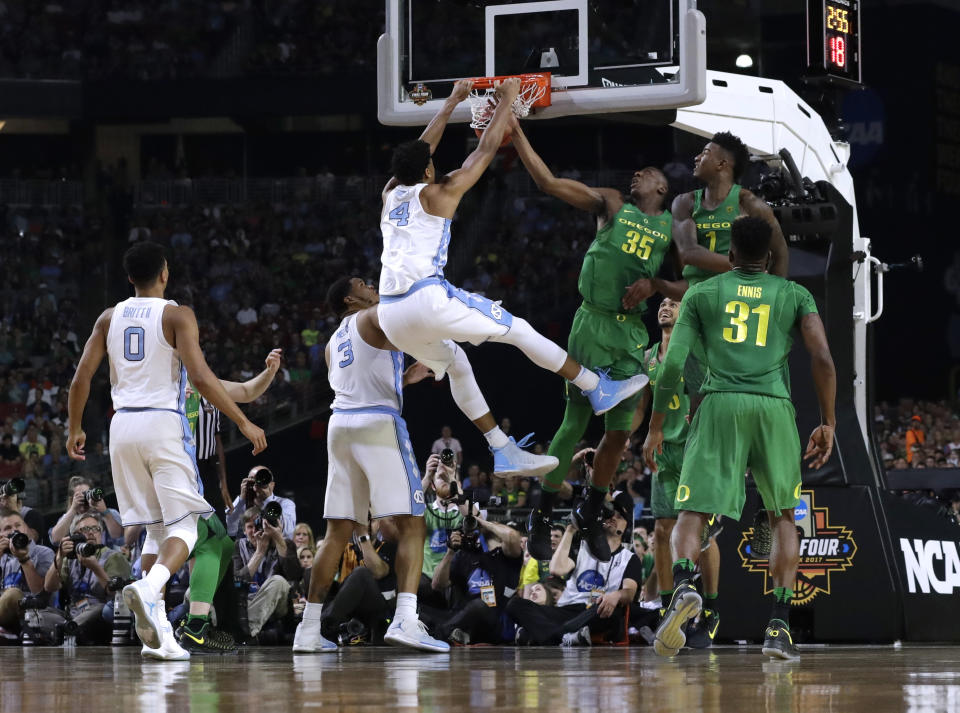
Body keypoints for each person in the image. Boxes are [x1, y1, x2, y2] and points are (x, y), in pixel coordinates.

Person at [376, 79, 648, 483]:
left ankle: (502, 449)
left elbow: (418, 153)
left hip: (390, 313)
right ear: (429, 169)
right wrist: (507, 99)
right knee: (518, 329)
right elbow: (485, 149)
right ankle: (596, 387)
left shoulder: (390, 192)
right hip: (425, 298)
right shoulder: (441, 192)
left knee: (457, 363)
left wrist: (452, 101)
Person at [642, 216, 836, 661]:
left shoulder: (702, 294)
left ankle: (685, 585)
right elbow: (822, 357)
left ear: (728, 256)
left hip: (718, 405)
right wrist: (827, 421)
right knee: (783, 515)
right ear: (768, 258)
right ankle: (779, 627)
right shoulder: (793, 294)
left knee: (691, 511)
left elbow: (671, 368)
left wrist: (655, 426)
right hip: (773, 408)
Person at [67, 240, 267, 660]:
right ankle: (150, 587)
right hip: (162, 422)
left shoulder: (108, 317)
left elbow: (81, 378)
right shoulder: (177, 314)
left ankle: (157, 629)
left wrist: (75, 428)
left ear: (128, 279)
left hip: (120, 426)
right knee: (191, 525)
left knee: (157, 528)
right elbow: (203, 378)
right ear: (164, 274)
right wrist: (244, 421)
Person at [510, 118, 681, 562]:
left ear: (662, 189)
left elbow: (690, 284)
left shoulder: (673, 229)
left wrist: (656, 285)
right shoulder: (612, 203)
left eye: (646, 172)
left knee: (619, 434)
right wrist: (516, 133)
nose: (636, 175)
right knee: (575, 422)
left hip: (630, 332)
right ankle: (542, 514)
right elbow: (547, 182)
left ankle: (589, 507)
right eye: (636, 173)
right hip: (592, 324)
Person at [293, 276, 447, 653]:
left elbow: (360, 381)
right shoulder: (375, 316)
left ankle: (309, 630)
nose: (371, 285)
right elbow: (414, 332)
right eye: (362, 283)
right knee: (413, 522)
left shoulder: (332, 344)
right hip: (378, 423)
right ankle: (407, 619)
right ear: (349, 298)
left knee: (336, 531)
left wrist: (403, 379)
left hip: (340, 427)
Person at [633, 297, 722, 647]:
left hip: (692, 448)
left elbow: (705, 393)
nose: (665, 306)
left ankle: (711, 610)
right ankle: (671, 608)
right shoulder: (647, 357)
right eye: (662, 303)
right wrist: (622, 439)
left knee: (704, 534)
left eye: (674, 303)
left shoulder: (693, 350)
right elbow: (642, 405)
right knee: (660, 529)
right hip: (662, 449)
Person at [507, 493, 642, 646]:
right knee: (515, 605)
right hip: (567, 610)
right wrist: (571, 528)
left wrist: (616, 595)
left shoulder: (629, 558)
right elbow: (556, 569)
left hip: (595, 611)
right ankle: (567, 637)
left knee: (614, 613)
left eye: (619, 516)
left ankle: (540, 635)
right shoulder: (581, 546)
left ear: (626, 527)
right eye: (610, 514)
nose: (613, 517)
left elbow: (630, 592)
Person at [43, 511, 132, 644]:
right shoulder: (69, 559)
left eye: (96, 529)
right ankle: (68, 629)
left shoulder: (114, 557)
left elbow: (118, 597)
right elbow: (49, 587)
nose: (91, 532)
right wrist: (59, 556)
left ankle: (66, 632)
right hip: (72, 615)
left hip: (100, 617)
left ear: (101, 534)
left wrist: (96, 568)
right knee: (39, 615)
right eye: (85, 529)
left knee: (100, 607)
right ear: (74, 536)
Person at [0, 508, 54, 638]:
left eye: (18, 525)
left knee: (13, 594)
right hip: (6, 618)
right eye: (8, 528)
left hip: (35, 613)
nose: (14, 530)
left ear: (26, 528)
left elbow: (40, 593)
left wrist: (24, 559)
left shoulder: (44, 553)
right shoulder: (2, 558)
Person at [226, 466, 296, 540]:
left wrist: (267, 500)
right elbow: (230, 529)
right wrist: (242, 499)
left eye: (262, 478)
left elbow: (288, 530)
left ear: (272, 485)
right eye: (252, 478)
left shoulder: (285, 503)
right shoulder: (241, 504)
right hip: (247, 549)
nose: (257, 482)